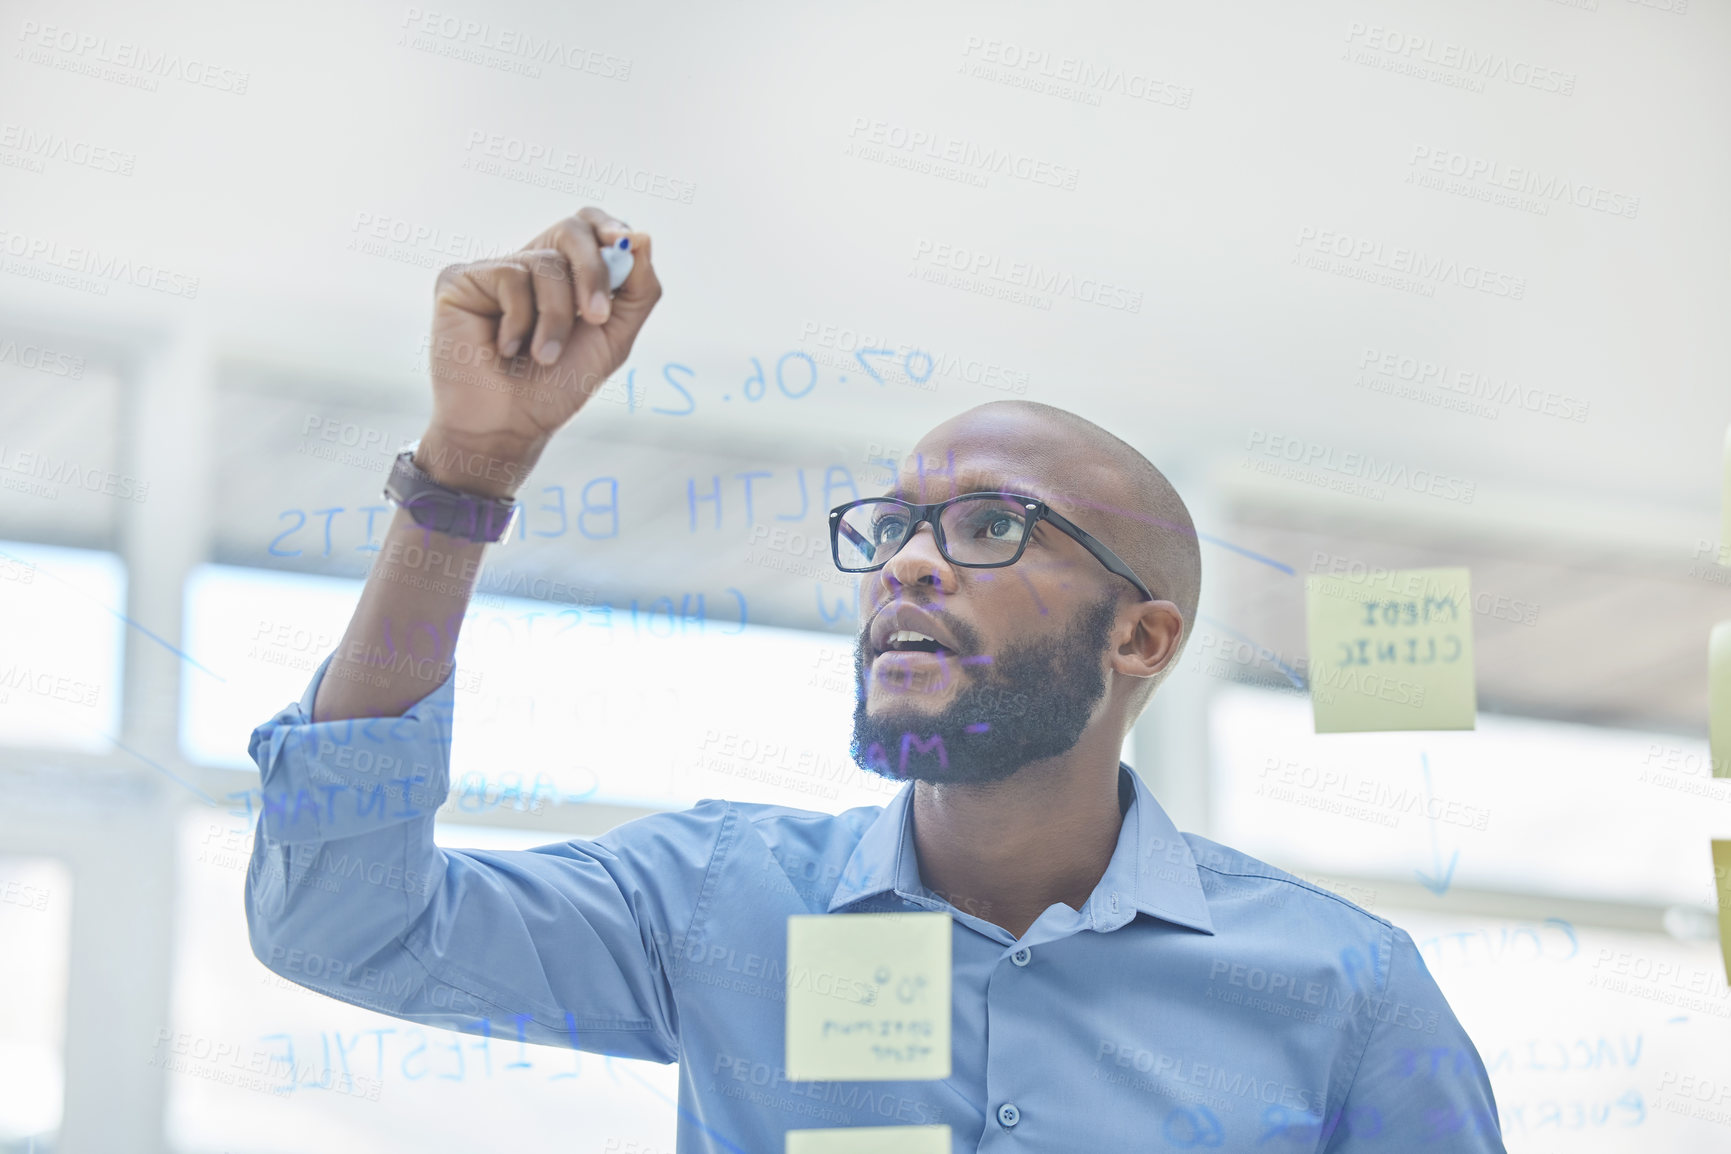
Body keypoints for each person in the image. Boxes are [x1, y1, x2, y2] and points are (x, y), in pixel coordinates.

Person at [245, 207, 1505, 1151]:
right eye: (893, 526)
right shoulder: (712, 908)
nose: (907, 563)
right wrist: (469, 472)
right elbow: (345, 924)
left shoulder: (1347, 991)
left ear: (1143, 640)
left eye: (991, 525)